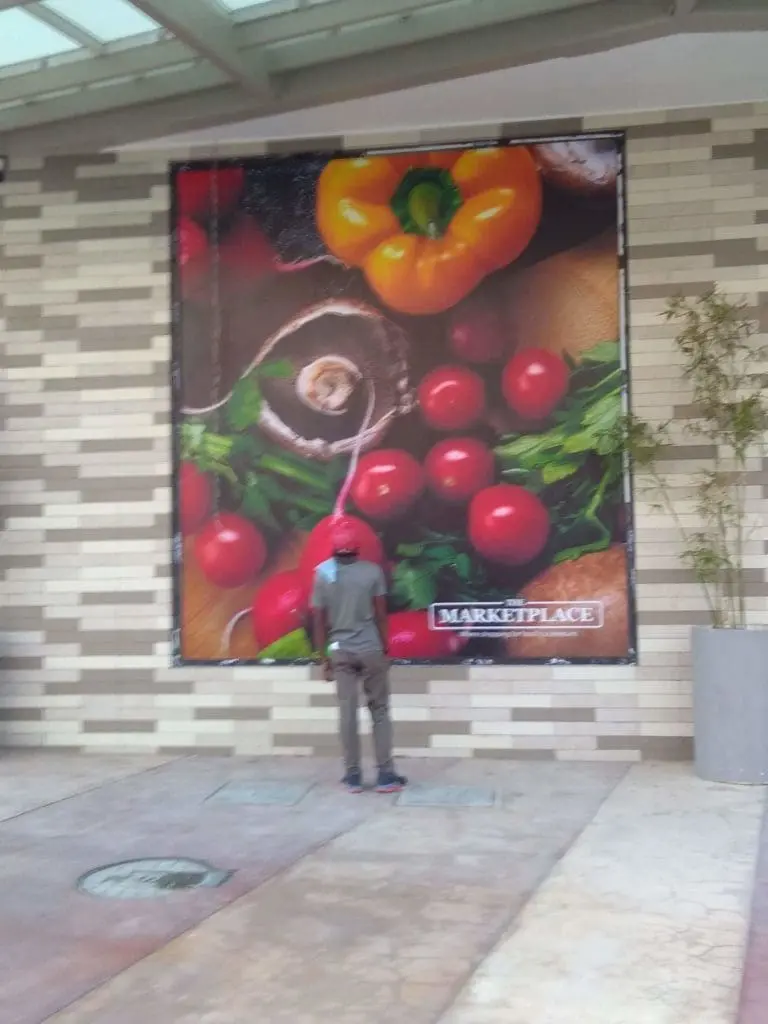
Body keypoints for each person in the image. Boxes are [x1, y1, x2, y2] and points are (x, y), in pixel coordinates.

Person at [311, 522, 407, 794]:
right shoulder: (372, 572)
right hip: (370, 649)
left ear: (333, 549)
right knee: (379, 711)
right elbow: (380, 614)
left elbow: (318, 619)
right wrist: (385, 647)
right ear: (357, 548)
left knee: (347, 714)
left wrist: (323, 658)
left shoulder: (322, 575)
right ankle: (386, 776)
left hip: (340, 651)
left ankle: (352, 777)